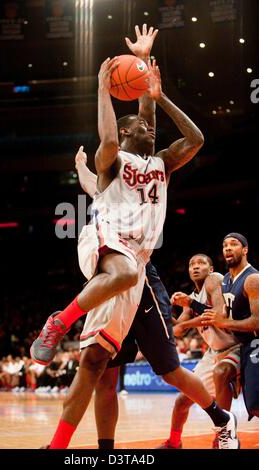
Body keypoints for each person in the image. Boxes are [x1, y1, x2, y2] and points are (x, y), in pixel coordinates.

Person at [34, 25, 238, 449]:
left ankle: (87, 448)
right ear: (129, 133)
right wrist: (102, 90)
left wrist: (151, 80)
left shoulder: (161, 162)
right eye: (144, 128)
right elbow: (108, 138)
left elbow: (195, 138)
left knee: (99, 361)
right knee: (123, 278)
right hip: (108, 241)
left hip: (137, 261)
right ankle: (59, 321)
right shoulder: (113, 157)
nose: (152, 130)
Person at [158, 254, 241, 449]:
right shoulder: (193, 297)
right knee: (182, 401)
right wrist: (163, 308)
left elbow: (218, 314)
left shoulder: (215, 279)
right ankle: (174, 442)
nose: (196, 267)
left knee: (222, 374)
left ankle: (222, 438)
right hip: (214, 352)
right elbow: (179, 328)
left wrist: (187, 310)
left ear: (210, 269)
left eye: (201, 263)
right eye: (191, 264)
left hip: (237, 345)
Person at [202, 233, 259, 420]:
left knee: (256, 405)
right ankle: (223, 429)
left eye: (233, 244)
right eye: (224, 244)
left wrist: (224, 322)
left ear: (245, 250)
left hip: (256, 342)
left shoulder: (252, 279)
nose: (227, 248)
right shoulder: (226, 279)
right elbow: (224, 314)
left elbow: (257, 321)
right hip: (242, 345)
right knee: (223, 374)